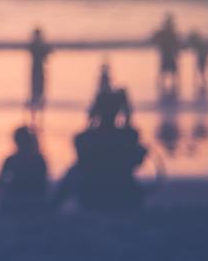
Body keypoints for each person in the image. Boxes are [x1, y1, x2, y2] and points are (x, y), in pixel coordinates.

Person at [53, 79, 147, 212]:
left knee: (74, 171)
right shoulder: (129, 137)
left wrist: (91, 118)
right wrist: (128, 116)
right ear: (118, 111)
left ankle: (52, 206)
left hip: (92, 199)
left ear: (96, 110)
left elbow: (82, 162)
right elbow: (137, 160)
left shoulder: (83, 139)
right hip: (123, 198)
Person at [0, 126, 48, 214]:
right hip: (18, 198)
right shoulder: (12, 160)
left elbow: (42, 184)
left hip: (33, 199)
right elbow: (1, 181)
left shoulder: (37, 160)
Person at [151, 12, 181, 95]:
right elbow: (175, 43)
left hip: (167, 53)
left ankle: (164, 84)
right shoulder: (169, 31)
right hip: (167, 53)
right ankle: (168, 84)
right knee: (168, 70)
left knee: (167, 70)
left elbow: (175, 42)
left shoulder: (167, 31)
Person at [28, 27, 51, 107]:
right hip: (37, 68)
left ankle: (36, 114)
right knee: (36, 90)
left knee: (37, 90)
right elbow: (46, 55)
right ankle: (36, 114)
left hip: (37, 68)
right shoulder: (37, 45)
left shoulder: (35, 44)